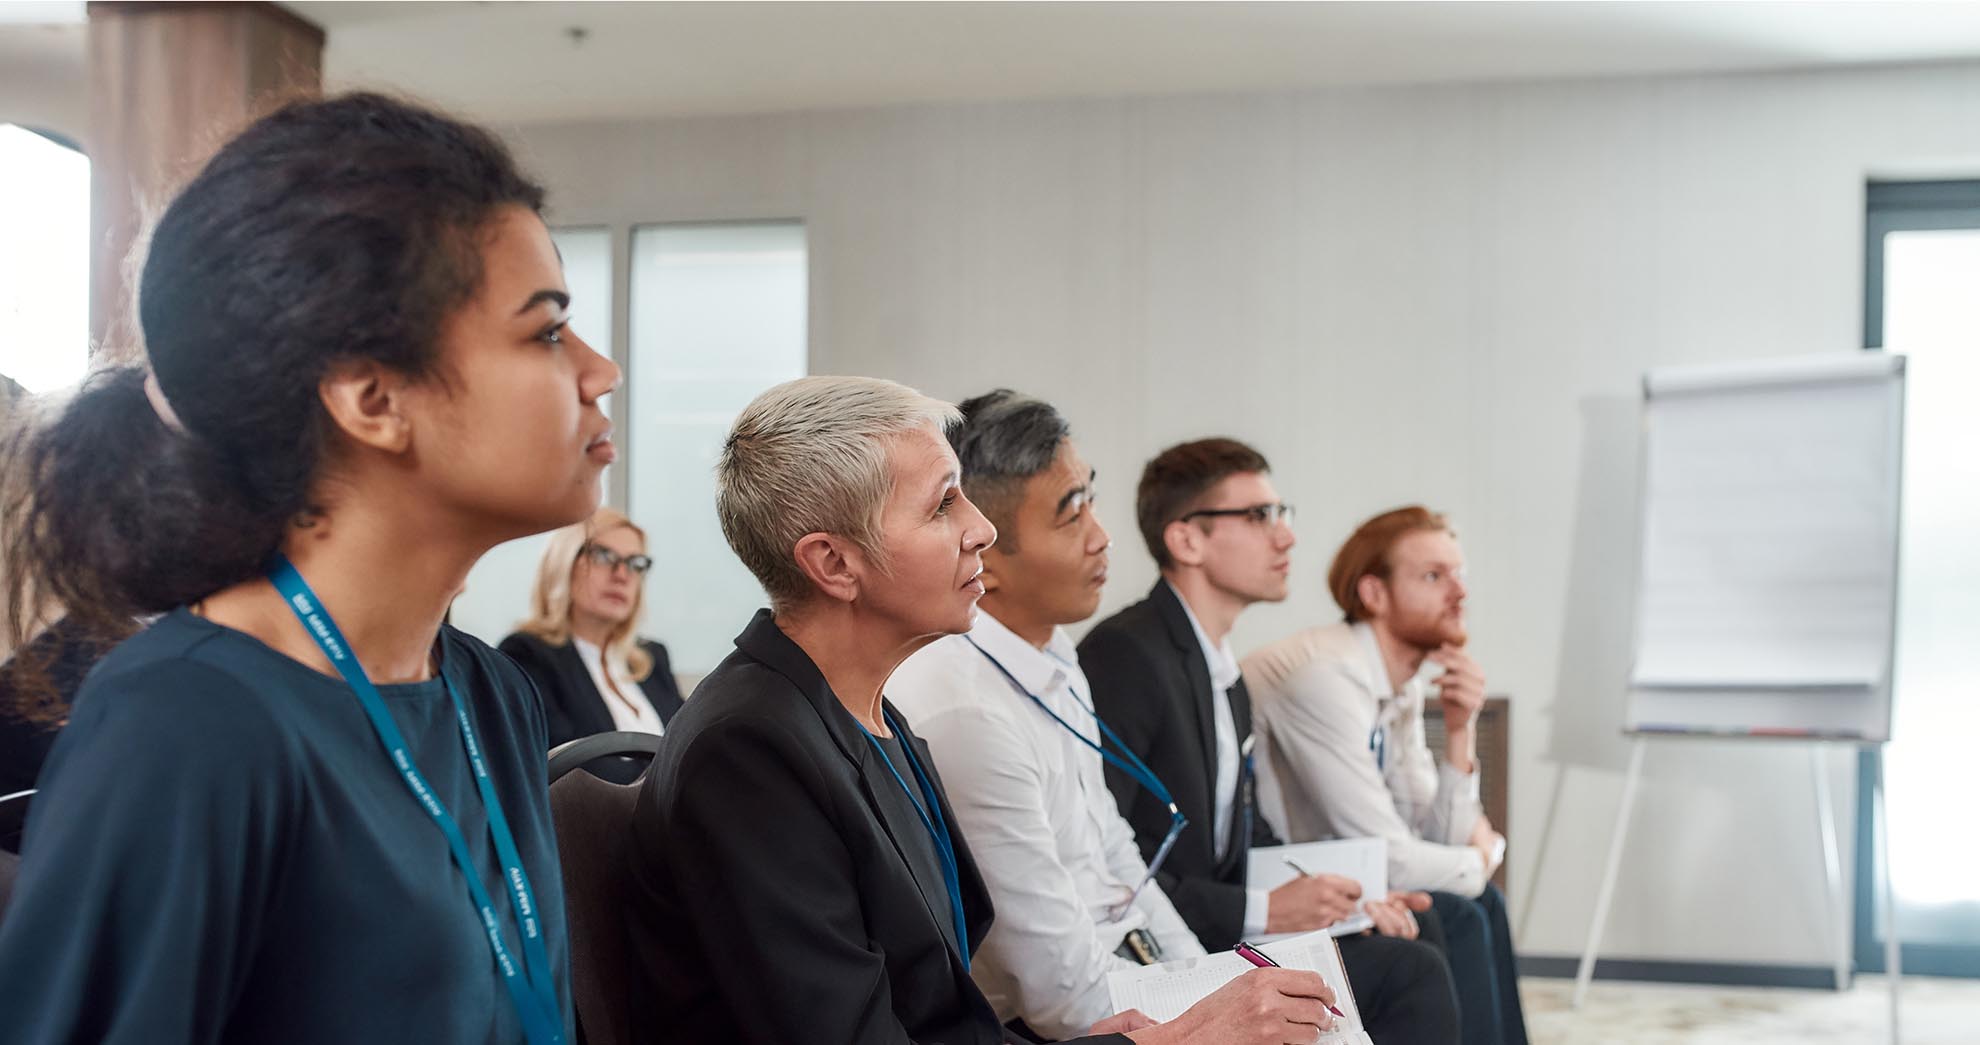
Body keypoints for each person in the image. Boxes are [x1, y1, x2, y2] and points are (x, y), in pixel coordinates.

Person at [0, 93, 615, 1043]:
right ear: (372, 398)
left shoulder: (488, 692)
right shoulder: (188, 724)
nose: (599, 368)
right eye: (544, 331)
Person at [622, 376, 1340, 1045]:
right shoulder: (750, 751)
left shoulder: (866, 713)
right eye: (942, 505)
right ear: (835, 564)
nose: (983, 531)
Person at [1080, 439, 1460, 1044]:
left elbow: (1246, 838)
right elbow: (1106, 865)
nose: (1286, 538)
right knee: (1411, 972)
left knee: (1420, 922)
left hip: (1218, 918)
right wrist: (1264, 911)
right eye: (1259, 516)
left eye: (1282, 516)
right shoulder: (1128, 654)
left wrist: (1352, 897)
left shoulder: (1223, 673)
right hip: (1160, 947)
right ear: (1187, 540)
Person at [888, 390, 1208, 1040]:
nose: (1102, 535)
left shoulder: (1052, 649)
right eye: (1070, 514)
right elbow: (1063, 999)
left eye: (1090, 497)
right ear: (986, 554)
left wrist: (1209, 977)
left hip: (1124, 973)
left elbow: (1114, 849)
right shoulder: (964, 709)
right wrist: (1206, 1017)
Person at [1243, 505, 1529, 1045]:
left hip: (1341, 872)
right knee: (1463, 908)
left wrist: (1461, 731)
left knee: (1481, 902)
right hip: (1277, 883)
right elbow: (1389, 854)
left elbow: (1429, 834)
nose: (1460, 593)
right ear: (1374, 594)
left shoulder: (1398, 686)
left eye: (1460, 575)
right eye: (1434, 576)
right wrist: (1484, 855)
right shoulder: (1325, 677)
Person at [501, 507, 684, 750]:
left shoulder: (653, 659)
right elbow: (569, 771)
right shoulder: (527, 655)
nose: (622, 575)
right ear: (563, 564)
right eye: (603, 556)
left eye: (635, 563)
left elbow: (690, 753)